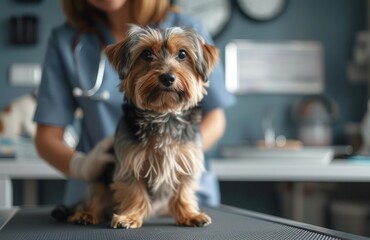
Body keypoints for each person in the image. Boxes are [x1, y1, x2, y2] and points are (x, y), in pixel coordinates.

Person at [34, 0, 235, 207]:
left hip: (181, 194)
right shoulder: (67, 39)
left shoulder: (188, 27)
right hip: (102, 193)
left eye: (180, 55)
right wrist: (82, 166)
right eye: (147, 55)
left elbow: (215, 118)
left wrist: (177, 154)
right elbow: (46, 137)